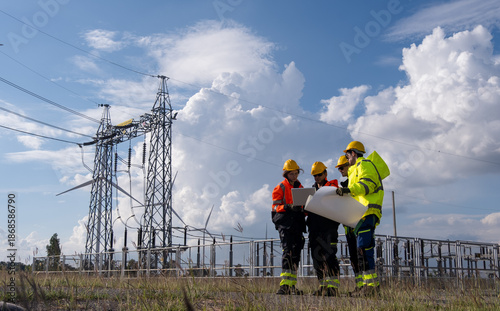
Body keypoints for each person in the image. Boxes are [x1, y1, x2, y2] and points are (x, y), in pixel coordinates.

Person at [336, 141, 385, 296]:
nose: (346, 159)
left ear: (354, 154)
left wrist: (348, 190)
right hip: (361, 214)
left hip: (366, 212)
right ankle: (370, 286)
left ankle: (370, 287)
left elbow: (367, 185)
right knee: (365, 250)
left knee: (363, 249)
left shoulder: (364, 165)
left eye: (347, 155)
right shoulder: (356, 169)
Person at [272, 159, 306, 295]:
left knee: (296, 254)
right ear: (286, 174)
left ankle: (291, 285)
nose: (294, 176)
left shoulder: (301, 188)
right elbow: (275, 207)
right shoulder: (280, 187)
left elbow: (305, 205)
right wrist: (288, 207)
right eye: (292, 174)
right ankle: (284, 285)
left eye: (296, 173)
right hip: (285, 224)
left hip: (297, 224)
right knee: (288, 252)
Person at [307, 161, 341, 296]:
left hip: (329, 228)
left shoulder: (332, 187)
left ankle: (333, 288)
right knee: (317, 258)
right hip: (314, 228)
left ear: (325, 173)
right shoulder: (310, 190)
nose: (317, 177)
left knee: (330, 256)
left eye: (319, 174)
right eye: (314, 175)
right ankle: (323, 286)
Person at [335, 155, 363, 293]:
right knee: (353, 257)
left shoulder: (354, 183)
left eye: (342, 167)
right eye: (339, 168)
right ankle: (360, 285)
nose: (340, 170)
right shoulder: (344, 185)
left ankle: (366, 285)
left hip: (359, 225)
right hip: (349, 227)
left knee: (361, 255)